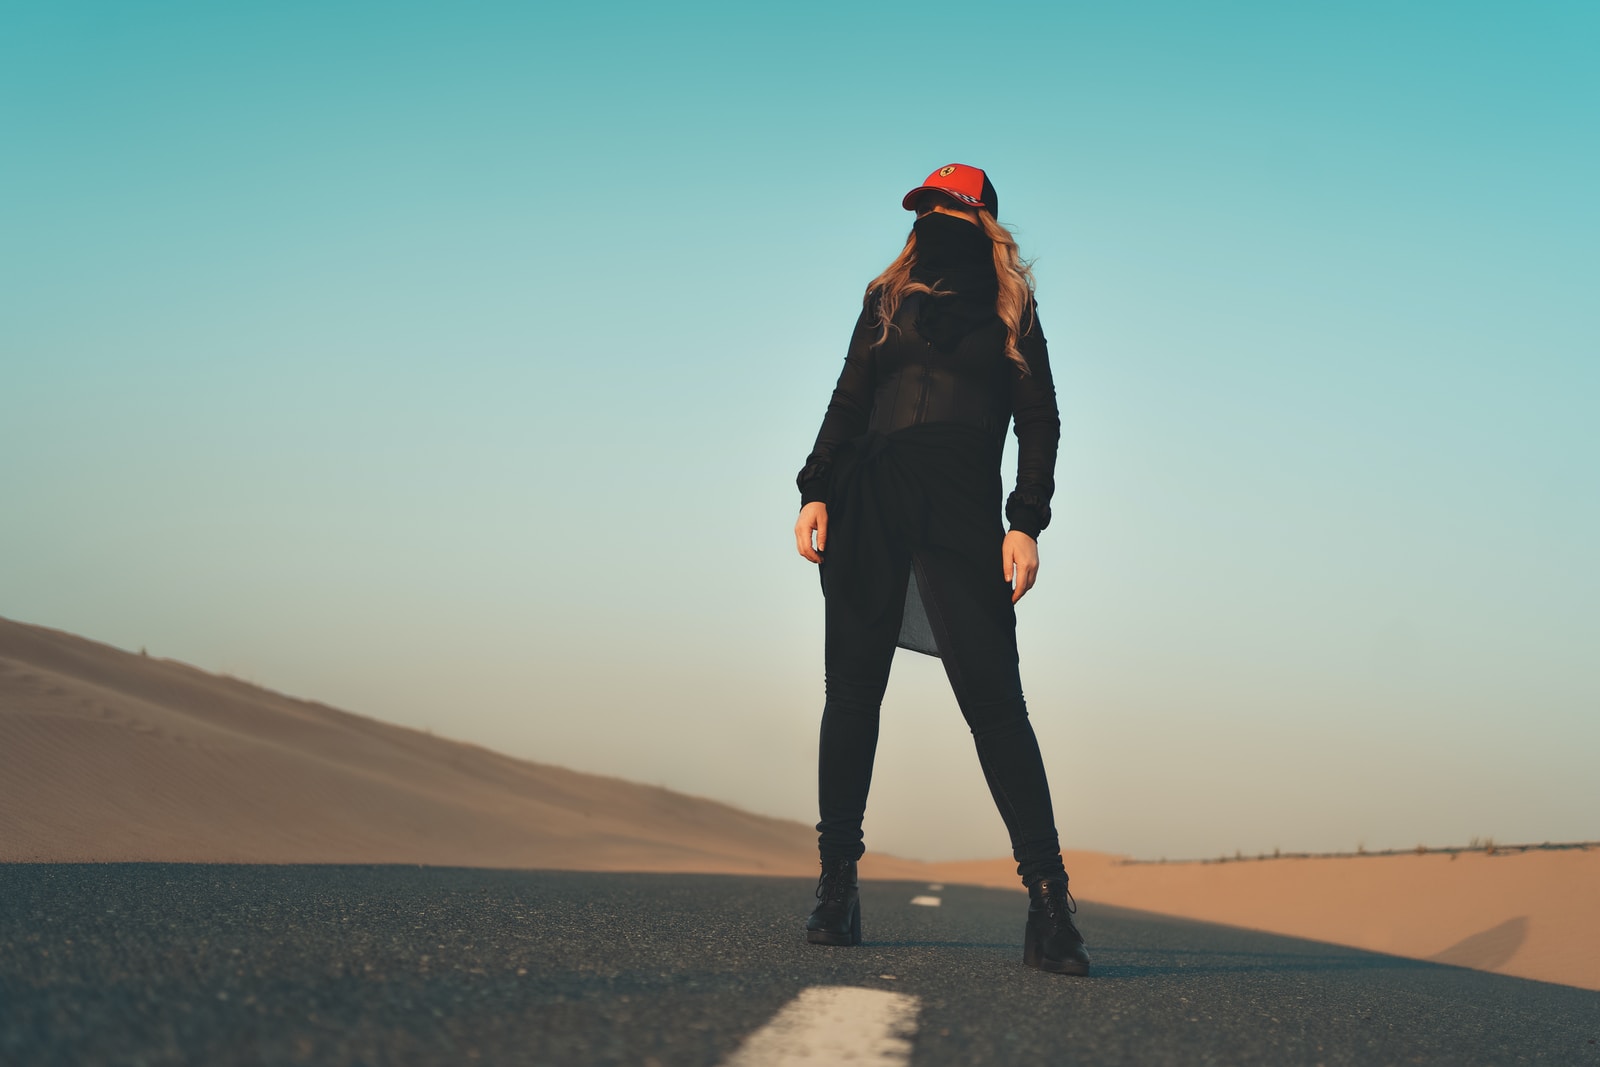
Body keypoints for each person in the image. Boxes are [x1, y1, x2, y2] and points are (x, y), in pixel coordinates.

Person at [792, 163, 1090, 976]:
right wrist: (817, 489)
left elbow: (1041, 420)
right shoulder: (885, 300)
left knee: (996, 704)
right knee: (851, 693)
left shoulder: (1010, 309)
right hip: (869, 497)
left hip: (961, 513)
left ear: (981, 220)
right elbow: (849, 398)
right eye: (924, 207)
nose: (931, 220)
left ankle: (1049, 902)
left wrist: (1025, 521)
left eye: (946, 208)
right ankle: (836, 884)